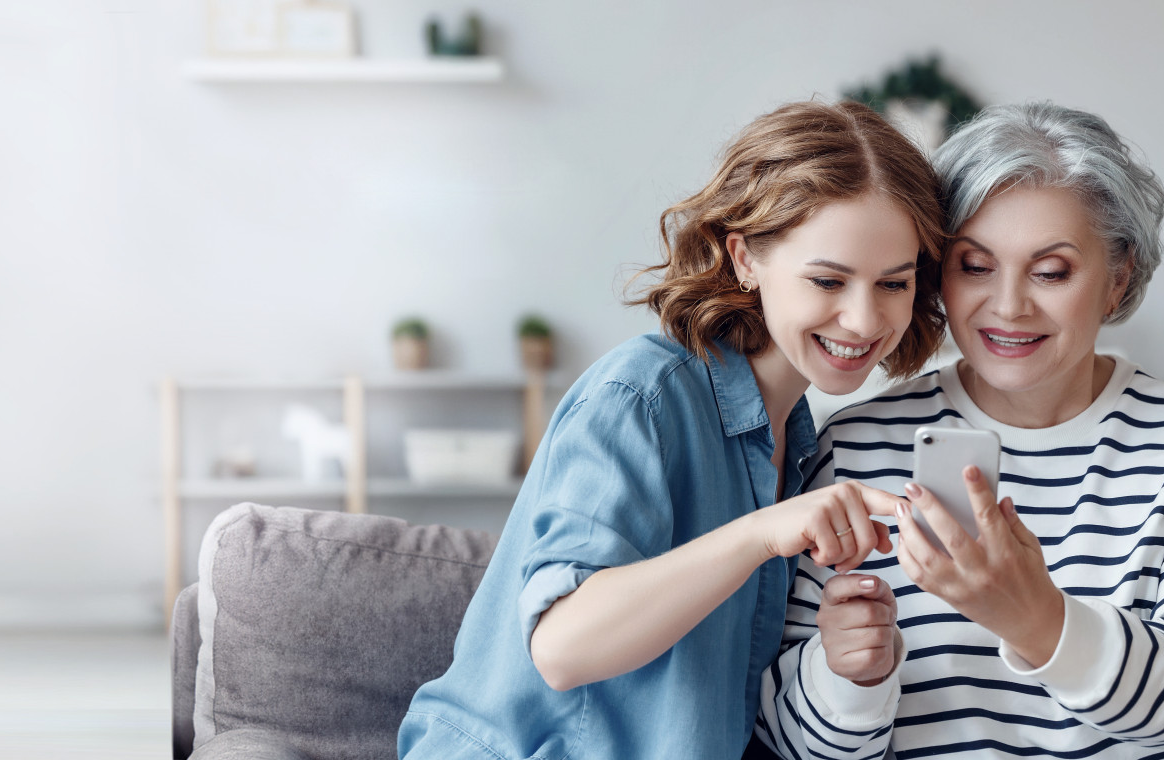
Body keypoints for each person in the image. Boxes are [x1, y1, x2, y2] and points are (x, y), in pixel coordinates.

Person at [398, 100, 949, 760]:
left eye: (894, 282)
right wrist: (759, 534)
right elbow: (562, 648)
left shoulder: (802, 444)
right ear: (746, 258)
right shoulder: (644, 396)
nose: (863, 320)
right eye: (828, 279)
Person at [757, 102, 1164, 759]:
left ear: (1117, 279)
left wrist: (1036, 621)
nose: (1007, 306)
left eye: (1051, 271)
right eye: (974, 266)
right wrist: (850, 678)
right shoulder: (857, 446)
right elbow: (790, 742)